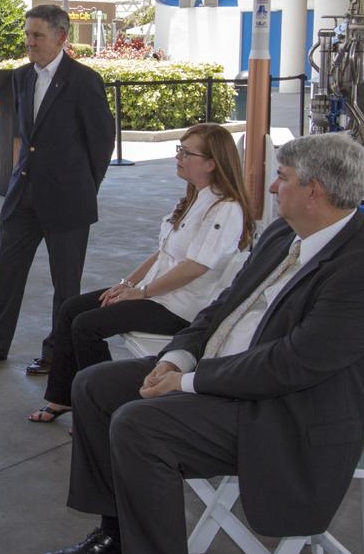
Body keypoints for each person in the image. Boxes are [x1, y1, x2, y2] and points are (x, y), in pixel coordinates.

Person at [45, 134, 364, 554]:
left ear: (314, 191)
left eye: (282, 178)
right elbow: (220, 308)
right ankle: (116, 535)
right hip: (226, 379)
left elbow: (285, 367)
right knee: (94, 387)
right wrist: (178, 357)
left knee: (139, 426)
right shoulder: (282, 236)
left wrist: (187, 382)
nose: (272, 187)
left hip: (279, 416)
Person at [27, 123, 256, 424]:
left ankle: (105, 405)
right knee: (72, 309)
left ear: (212, 163)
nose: (179, 157)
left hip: (181, 307)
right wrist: (128, 283)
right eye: (179, 150)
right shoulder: (194, 198)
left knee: (87, 325)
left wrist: (142, 293)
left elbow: (195, 267)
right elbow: (164, 252)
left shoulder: (225, 209)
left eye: (187, 153)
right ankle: (63, 398)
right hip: (157, 293)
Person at [0, 4, 115, 376]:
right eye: (28, 35)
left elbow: (101, 142)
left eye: (37, 36)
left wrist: (82, 186)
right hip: (23, 196)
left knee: (66, 283)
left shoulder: (84, 81)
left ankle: (55, 353)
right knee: (6, 271)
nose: (29, 42)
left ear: (61, 37)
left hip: (68, 200)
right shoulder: (20, 78)